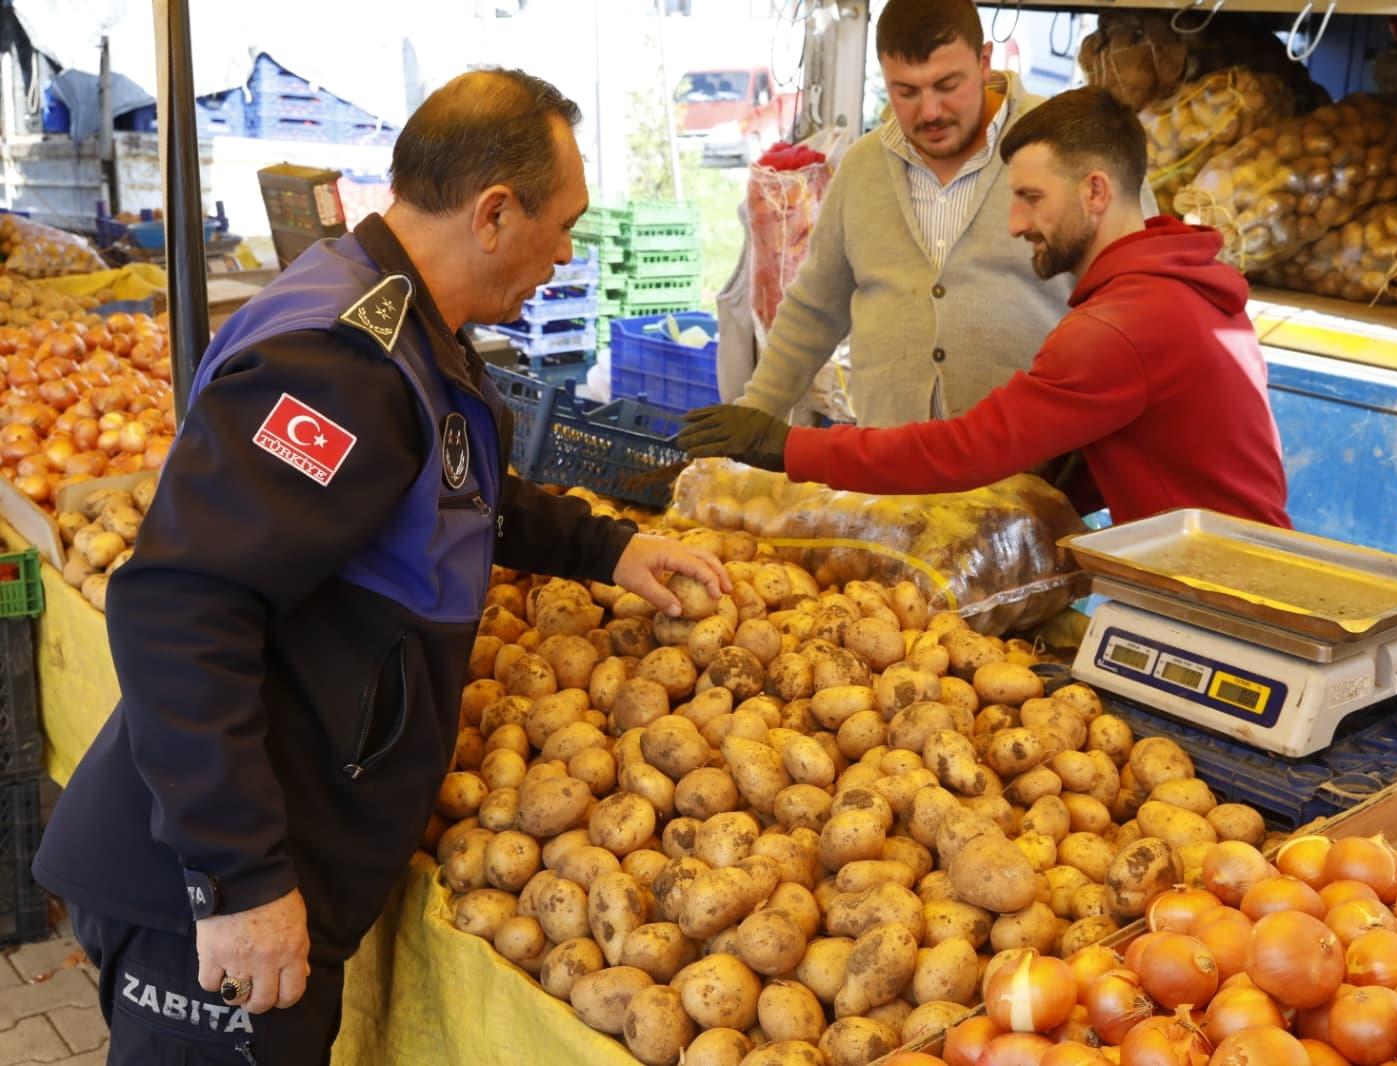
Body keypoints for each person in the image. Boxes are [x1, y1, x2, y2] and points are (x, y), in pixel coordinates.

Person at [31, 70, 729, 1065]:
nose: (567, 252)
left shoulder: (401, 324)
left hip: (269, 855)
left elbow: (445, 483)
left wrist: (610, 547)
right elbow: (182, 603)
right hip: (200, 896)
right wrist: (238, 880)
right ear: (494, 212)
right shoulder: (336, 362)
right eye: (563, 223)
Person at [680, 87, 1291, 529]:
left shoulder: (1118, 327)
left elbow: (965, 448)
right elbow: (1153, 448)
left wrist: (785, 447)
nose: (1016, 222)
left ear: (1096, 191)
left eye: (1030, 197)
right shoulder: (1182, 282)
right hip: (1238, 561)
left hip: (1217, 594)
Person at [736, 0, 1153, 427]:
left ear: (985, 61)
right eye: (907, 92)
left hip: (1039, 466)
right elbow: (815, 309)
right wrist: (754, 413)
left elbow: (1138, 297)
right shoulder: (862, 168)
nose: (930, 111)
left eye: (947, 84)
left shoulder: (1070, 147)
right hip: (891, 468)